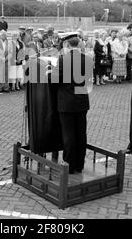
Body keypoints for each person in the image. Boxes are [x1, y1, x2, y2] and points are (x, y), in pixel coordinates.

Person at [49, 34, 93, 174]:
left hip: (67, 102)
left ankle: (69, 166)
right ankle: (79, 164)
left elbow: (55, 80)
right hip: (81, 100)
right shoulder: (87, 59)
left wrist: (50, 71)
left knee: (68, 135)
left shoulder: (63, 59)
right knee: (81, 133)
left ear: (67, 45)